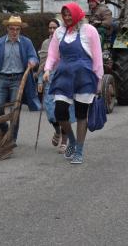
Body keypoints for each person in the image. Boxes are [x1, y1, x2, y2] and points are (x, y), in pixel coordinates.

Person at [43, 3, 103, 164]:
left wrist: (99, 79)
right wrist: (47, 69)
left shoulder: (89, 30)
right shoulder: (59, 32)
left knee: (81, 114)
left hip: (84, 77)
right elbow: (52, 54)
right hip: (64, 76)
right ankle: (72, 140)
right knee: (60, 111)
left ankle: (79, 151)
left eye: (70, 14)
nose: (67, 17)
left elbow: (97, 56)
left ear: (77, 14)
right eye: (64, 15)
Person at [0, 16, 40, 146]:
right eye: (12, 29)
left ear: (20, 30)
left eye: (17, 29)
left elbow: (33, 56)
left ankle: (12, 138)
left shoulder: (26, 42)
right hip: (1, 78)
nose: (14, 32)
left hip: (18, 79)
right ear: (7, 29)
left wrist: (32, 61)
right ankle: (4, 128)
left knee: (15, 110)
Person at [37, 18, 75, 153]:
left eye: (54, 27)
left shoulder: (67, 41)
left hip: (65, 78)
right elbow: (42, 65)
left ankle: (64, 141)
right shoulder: (45, 43)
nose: (52, 30)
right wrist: (40, 81)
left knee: (64, 111)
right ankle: (57, 130)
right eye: (50, 28)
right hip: (49, 78)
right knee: (50, 111)